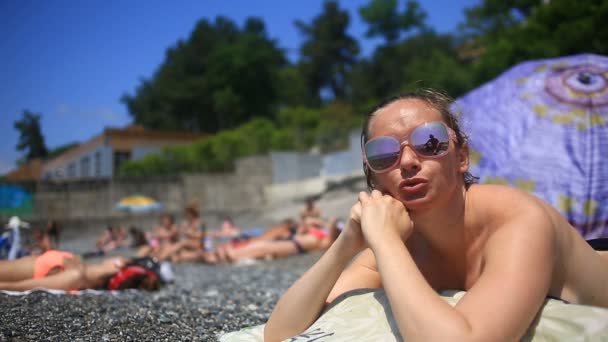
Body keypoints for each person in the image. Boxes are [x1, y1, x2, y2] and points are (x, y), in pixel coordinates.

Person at [264, 89, 608, 341]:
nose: (409, 162)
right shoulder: (400, 243)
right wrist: (345, 245)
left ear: (461, 157)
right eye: (384, 154)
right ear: (373, 177)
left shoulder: (518, 220)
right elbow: (279, 332)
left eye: (430, 142)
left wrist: (384, 242)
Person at [0, 250, 127, 291]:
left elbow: (22, 287)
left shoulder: (76, 277)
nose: (117, 259)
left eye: (117, 263)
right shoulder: (79, 264)